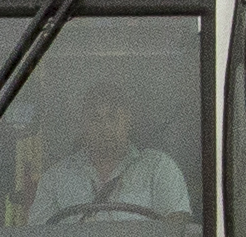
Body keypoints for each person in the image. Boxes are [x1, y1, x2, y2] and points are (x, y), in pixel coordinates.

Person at [26, 80, 193, 223]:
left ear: (128, 121)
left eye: (113, 117)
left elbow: (177, 233)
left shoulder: (159, 168)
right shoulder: (56, 178)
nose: (105, 128)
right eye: (95, 119)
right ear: (83, 125)